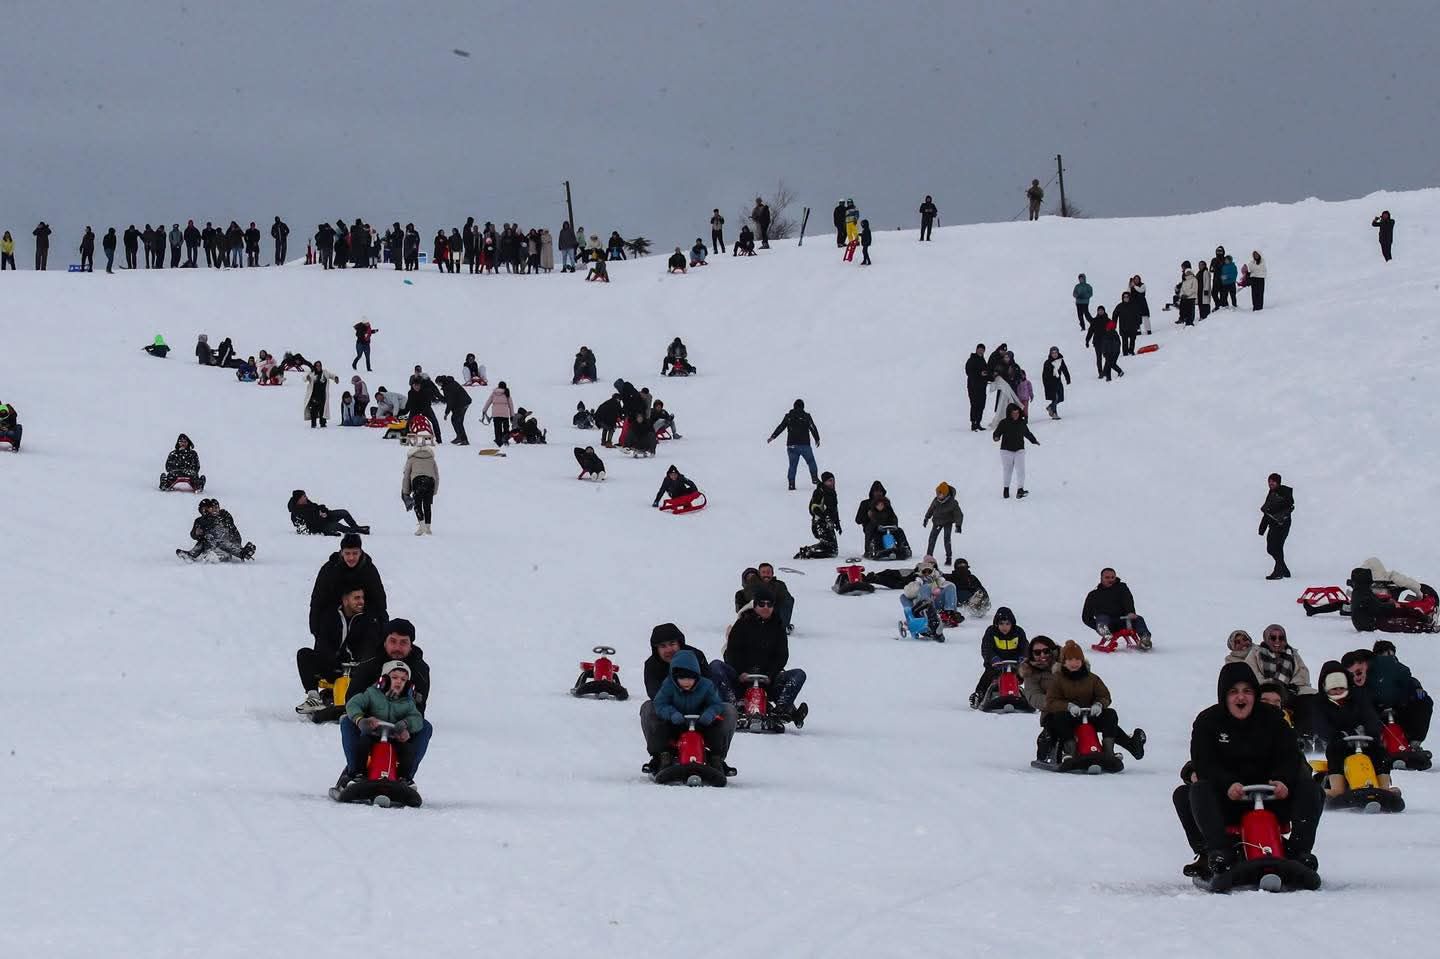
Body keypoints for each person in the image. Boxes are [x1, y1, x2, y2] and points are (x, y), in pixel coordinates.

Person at [1174, 661, 1321, 880]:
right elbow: (1204, 762)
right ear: (1224, 695)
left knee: (1311, 789)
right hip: (1228, 801)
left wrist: (1282, 780)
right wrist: (1228, 784)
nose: (1240, 698)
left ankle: (1299, 852)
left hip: (1272, 796)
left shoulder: (1273, 719)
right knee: (1190, 793)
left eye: (1246, 691)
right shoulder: (1208, 722)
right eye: (1233, 692)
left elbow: (1290, 756)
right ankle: (1216, 852)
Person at [641, 623, 736, 771]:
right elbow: (656, 696)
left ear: (680, 643)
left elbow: (711, 690)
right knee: (648, 708)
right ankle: (661, 755)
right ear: (656, 649)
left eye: (672, 644)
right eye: (663, 646)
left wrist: (707, 713)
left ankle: (716, 756)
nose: (668, 650)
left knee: (729, 710)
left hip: (702, 719)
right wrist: (673, 713)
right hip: (670, 720)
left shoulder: (696, 657)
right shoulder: (653, 665)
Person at [711, 585, 808, 723]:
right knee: (715, 666)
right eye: (761, 604)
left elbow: (781, 656)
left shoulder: (778, 627)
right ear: (755, 606)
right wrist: (741, 672)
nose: (765, 607)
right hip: (741, 680)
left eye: (769, 604)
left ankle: (781, 709)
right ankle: (732, 706)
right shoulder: (741, 625)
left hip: (768, 681)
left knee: (799, 674)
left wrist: (771, 674)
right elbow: (732, 652)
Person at [1042, 640, 1146, 759]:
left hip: (1089, 715)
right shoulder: (1057, 680)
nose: (1074, 663)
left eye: (1077, 660)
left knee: (1110, 714)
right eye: (1070, 660)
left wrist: (1098, 704)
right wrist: (1068, 706)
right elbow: (1051, 701)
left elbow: (1104, 695)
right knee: (1060, 718)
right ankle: (1071, 752)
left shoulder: (1092, 678)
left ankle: (1108, 751)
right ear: (1064, 662)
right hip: (1068, 717)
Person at [1312, 660, 1399, 802]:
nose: (1338, 692)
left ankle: (1384, 787)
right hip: (1339, 742)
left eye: (1341, 687)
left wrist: (1370, 732)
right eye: (1334, 689)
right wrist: (1336, 735)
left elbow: (1370, 717)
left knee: (1379, 751)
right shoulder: (1319, 703)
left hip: (1364, 740)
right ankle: (1336, 790)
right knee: (1336, 752)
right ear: (1326, 687)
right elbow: (1320, 724)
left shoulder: (1358, 697)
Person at [295, 586, 384, 714]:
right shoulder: (331, 617)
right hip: (334, 666)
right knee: (304, 654)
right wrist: (332, 660)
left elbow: (371, 644)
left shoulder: (368, 619)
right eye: (357, 598)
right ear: (345, 600)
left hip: (359, 670)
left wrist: (360, 660)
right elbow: (324, 643)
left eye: (362, 598)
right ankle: (314, 698)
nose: (361, 602)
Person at [338, 660, 425, 788]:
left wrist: (406, 724)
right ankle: (358, 774)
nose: (399, 681)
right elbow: (353, 704)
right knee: (363, 744)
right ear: (384, 679)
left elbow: (417, 718)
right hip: (373, 734)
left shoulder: (408, 702)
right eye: (394, 677)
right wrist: (361, 720)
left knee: (407, 750)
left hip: (395, 737)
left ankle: (404, 779)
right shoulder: (372, 694)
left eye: (403, 679)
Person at [309, 534, 388, 638]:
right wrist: (315, 626)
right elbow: (318, 598)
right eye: (347, 553)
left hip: (361, 617)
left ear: (360, 552)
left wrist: (384, 627)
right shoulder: (330, 569)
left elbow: (379, 599)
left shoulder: (369, 570)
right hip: (334, 617)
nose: (351, 557)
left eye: (355, 553)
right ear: (341, 552)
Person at [1244, 624, 1318, 734]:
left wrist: (1293, 686)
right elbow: (1251, 673)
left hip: (1290, 690)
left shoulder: (1292, 653)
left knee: (1310, 700)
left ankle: (1304, 734)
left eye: (1281, 638)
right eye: (1273, 638)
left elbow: (1302, 673)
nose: (1277, 641)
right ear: (1266, 638)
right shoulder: (1256, 653)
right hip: (1265, 690)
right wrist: (1273, 686)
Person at [1368, 639, 1431, 745]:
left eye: (1390, 654)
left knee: (1424, 702)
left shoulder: (1400, 670)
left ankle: (1414, 740)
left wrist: (1417, 689)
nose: (1388, 657)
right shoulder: (1370, 670)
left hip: (1399, 709)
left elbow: (1410, 681)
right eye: (1385, 653)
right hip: (1376, 712)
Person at [969, 607, 1029, 707]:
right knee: (988, 676)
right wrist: (993, 658)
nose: (1004, 627)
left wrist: (1023, 658)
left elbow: (1025, 647)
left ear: (1012, 624)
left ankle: (1031, 696)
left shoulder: (1018, 632)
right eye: (1001, 624)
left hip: (1015, 664)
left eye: (1007, 624)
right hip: (996, 664)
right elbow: (986, 648)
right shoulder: (991, 632)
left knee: (1028, 675)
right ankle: (979, 694)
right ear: (997, 624)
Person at [1081, 567, 1152, 648]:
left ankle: (1145, 639)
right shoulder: (1093, 595)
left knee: (1139, 619)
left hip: (1123, 620)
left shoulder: (1121, 588)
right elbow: (1086, 617)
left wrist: (1131, 612)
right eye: (1107, 577)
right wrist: (1096, 625)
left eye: (1112, 577)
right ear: (1101, 578)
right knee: (1102, 618)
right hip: (1108, 624)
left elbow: (1128, 600)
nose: (1110, 580)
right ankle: (1104, 631)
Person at [177, 498, 255, 562]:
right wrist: (197, 533)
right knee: (207, 539)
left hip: (227, 541)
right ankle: (193, 554)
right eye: (211, 508)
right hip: (211, 544)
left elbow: (231, 530)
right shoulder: (200, 521)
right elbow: (194, 535)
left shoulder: (223, 516)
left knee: (221, 542)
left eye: (216, 508)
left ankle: (240, 552)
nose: (214, 510)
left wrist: (239, 547)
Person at [767, 398, 821, 491]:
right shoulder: (806, 416)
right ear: (803, 407)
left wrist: (773, 437)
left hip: (791, 445)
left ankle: (791, 484)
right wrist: (817, 439)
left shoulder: (789, 416)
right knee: (811, 461)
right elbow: (812, 427)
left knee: (792, 465)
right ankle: (815, 479)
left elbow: (781, 426)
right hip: (804, 445)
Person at [992, 403, 1037, 499]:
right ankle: (1006, 489)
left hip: (1019, 450)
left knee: (1021, 470)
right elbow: (997, 433)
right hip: (1006, 451)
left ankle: (1020, 490)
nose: (1016, 415)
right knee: (1007, 470)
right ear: (1009, 413)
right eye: (1014, 413)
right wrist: (996, 437)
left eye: (1017, 413)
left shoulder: (1022, 423)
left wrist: (1034, 440)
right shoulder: (1003, 423)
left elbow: (1027, 433)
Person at [402, 424, 439, 535]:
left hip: (417, 481)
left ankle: (421, 526)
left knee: (417, 504)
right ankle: (428, 527)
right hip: (430, 481)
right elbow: (437, 475)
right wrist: (435, 490)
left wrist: (405, 491)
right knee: (427, 505)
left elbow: (406, 475)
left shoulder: (411, 458)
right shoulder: (431, 458)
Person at [794, 471, 841, 559]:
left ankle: (808, 551)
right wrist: (825, 518)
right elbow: (814, 508)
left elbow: (834, 510)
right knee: (831, 550)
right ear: (824, 482)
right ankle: (809, 552)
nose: (832, 483)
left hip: (828, 523)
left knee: (831, 549)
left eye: (833, 480)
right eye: (829, 481)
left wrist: (837, 523)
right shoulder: (819, 492)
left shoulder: (832, 492)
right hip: (820, 523)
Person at [287, 490, 368, 536]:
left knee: (344, 512)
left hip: (326, 517)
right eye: (304, 496)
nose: (306, 497)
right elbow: (302, 529)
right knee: (339, 526)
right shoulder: (295, 514)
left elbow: (317, 506)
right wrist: (325, 531)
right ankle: (357, 531)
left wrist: (324, 511)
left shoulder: (307, 502)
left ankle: (356, 527)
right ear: (299, 499)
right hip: (321, 527)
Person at [1259, 472, 1293, 579]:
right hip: (1273, 525)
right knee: (1271, 548)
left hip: (1283, 524)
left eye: (1273, 481)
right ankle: (1283, 569)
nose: (1270, 483)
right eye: (1269, 481)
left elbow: (1289, 502)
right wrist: (1262, 527)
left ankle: (1278, 571)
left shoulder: (1284, 491)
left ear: (1278, 482)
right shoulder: (1271, 493)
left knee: (1276, 547)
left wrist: (1273, 508)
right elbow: (1267, 511)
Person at [922, 482, 963, 565]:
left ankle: (949, 558)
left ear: (946, 494)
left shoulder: (953, 502)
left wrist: (958, 525)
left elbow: (959, 514)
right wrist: (926, 518)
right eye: (938, 494)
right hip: (937, 522)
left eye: (941, 494)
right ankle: (929, 557)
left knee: (946, 540)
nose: (939, 496)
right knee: (932, 539)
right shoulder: (936, 500)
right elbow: (931, 509)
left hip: (948, 522)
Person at [1020, 636, 1059, 718]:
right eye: (1037, 652)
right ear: (1032, 654)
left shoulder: (1068, 662)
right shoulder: (1030, 671)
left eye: (1046, 651)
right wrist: (1058, 703)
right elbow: (1033, 696)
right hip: (1052, 713)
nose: (1042, 655)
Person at [402, 375, 444, 445]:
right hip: (415, 409)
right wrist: (404, 412)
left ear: (420, 385)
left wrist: (422, 413)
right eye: (415, 385)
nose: (416, 387)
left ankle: (439, 439)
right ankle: (404, 439)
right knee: (408, 422)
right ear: (412, 386)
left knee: (434, 422)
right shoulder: (410, 393)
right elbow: (409, 404)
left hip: (426, 409)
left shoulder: (426, 392)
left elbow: (427, 403)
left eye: (418, 385)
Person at [755, 563, 795, 633]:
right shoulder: (754, 584)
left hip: (773, 612)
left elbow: (786, 600)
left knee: (789, 599)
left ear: (772, 574)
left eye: (768, 572)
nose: (766, 575)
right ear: (759, 574)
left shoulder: (779, 584)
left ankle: (782, 626)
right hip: (757, 613)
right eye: (763, 572)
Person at [435, 375, 470, 446]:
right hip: (463, 403)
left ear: (441, 382)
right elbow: (448, 399)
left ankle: (464, 440)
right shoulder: (449, 383)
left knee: (457, 421)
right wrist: (439, 397)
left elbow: (450, 401)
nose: (438, 385)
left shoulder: (448, 387)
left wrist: (446, 413)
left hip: (462, 403)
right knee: (455, 420)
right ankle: (459, 437)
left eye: (438, 383)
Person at [303, 361, 339, 428]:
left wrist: (335, 378)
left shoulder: (325, 372)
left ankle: (323, 423)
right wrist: (307, 378)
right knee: (314, 410)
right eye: (317, 366)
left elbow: (332, 375)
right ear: (315, 366)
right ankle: (313, 424)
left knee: (322, 409)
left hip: (323, 395)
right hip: (314, 395)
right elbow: (304, 378)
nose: (318, 367)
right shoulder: (312, 373)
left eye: (320, 365)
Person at [962, 343, 990, 431]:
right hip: (973, 386)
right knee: (974, 404)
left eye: (983, 350)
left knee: (981, 404)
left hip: (982, 387)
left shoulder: (983, 360)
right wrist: (979, 374)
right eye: (980, 349)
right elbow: (968, 372)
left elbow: (986, 371)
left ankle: (978, 423)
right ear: (976, 349)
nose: (981, 351)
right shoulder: (971, 360)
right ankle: (973, 423)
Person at [1040, 346, 1070, 420]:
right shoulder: (1047, 363)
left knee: (1060, 398)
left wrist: (1068, 378)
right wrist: (1046, 384)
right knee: (1055, 398)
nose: (1054, 354)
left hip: (1058, 382)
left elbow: (1065, 369)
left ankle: (1050, 407)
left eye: (1055, 353)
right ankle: (1054, 413)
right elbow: (1044, 375)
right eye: (1053, 353)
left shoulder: (1060, 361)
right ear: (1050, 354)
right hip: (1050, 383)